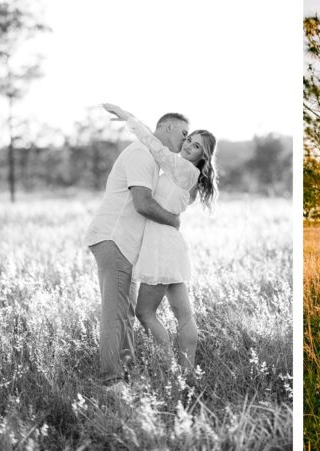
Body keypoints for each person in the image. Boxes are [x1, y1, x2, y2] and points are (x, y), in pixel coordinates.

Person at [102, 103, 218, 375]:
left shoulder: (184, 170)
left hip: (161, 246)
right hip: (170, 244)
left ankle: (169, 366)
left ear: (204, 155)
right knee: (183, 314)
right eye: (189, 139)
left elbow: (155, 147)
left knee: (145, 313)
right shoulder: (188, 174)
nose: (189, 144)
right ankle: (187, 372)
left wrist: (128, 118)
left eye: (197, 146)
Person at [82, 110, 189, 390]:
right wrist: (174, 220)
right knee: (115, 312)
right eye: (183, 134)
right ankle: (111, 381)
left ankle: (125, 376)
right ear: (166, 127)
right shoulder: (141, 155)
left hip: (125, 246)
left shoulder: (153, 160)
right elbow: (142, 203)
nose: (185, 140)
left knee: (125, 312)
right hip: (113, 239)